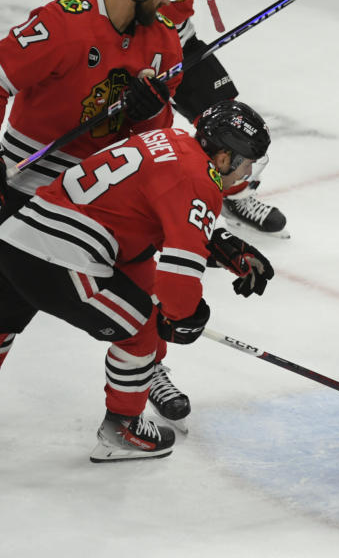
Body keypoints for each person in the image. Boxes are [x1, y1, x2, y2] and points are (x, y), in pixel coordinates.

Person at [0, 100, 274, 462]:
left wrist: (214, 244)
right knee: (143, 328)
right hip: (63, 257)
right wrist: (184, 315)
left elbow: (144, 211)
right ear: (224, 157)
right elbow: (177, 277)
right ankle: (123, 429)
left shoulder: (170, 139)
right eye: (248, 162)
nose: (248, 173)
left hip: (15, 237)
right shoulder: (201, 180)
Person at [0, 0, 188, 417]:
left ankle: (148, 367)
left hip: (100, 191)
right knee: (7, 306)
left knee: (145, 287)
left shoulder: (165, 45)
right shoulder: (65, 22)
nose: (170, 0)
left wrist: (149, 112)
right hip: (30, 178)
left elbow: (156, 139)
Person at [92, 0, 339, 237]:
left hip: (175, 37)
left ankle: (233, 195)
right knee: (110, 130)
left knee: (228, 124)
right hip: (119, 35)